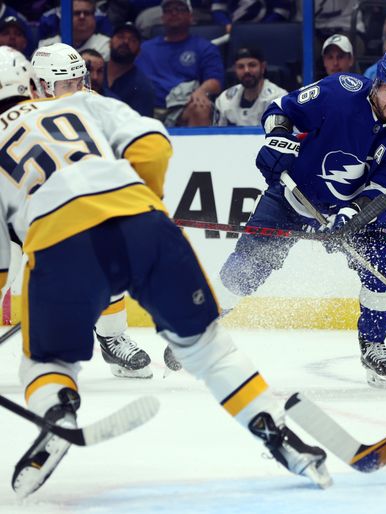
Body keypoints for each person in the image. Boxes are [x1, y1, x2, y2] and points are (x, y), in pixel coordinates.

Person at [0, 45, 330, 498]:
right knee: (209, 350)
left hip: (59, 246)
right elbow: (153, 146)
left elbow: (1, 263)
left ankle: (58, 411)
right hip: (142, 223)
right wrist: (140, 205)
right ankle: (277, 433)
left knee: (47, 361)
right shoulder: (82, 103)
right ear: (30, 85)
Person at [217, 48, 386, 390]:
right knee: (244, 270)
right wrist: (278, 140)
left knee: (384, 269)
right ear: (376, 85)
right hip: (293, 197)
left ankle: (373, 345)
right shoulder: (338, 92)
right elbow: (282, 111)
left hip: (352, 215)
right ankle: (202, 331)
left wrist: (352, 216)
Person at [30, 43, 159, 379]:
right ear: (43, 85)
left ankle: (112, 337)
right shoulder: (19, 118)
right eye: (68, 84)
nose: (79, 90)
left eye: (80, 81)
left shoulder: (93, 114)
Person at [135, 0, 224, 126]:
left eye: (180, 9)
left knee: (201, 106)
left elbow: (215, 82)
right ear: (162, 17)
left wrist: (201, 91)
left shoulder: (204, 47)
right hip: (148, 110)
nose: (174, 13)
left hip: (182, 109)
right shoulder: (144, 49)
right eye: (169, 10)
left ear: (190, 16)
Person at [215, 47, 288, 126]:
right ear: (235, 69)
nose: (246, 71)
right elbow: (216, 135)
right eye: (241, 67)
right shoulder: (224, 99)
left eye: (252, 65)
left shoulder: (279, 98)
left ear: (263, 67)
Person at [104, 22, 156, 118]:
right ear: (110, 43)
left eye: (132, 40)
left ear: (139, 51)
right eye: (120, 37)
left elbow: (140, 126)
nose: (125, 42)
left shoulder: (143, 86)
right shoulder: (95, 72)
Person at [38, 0, 110, 60]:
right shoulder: (46, 46)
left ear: (94, 17)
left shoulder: (106, 45)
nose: (82, 17)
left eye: (87, 13)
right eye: (77, 13)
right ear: (64, 17)